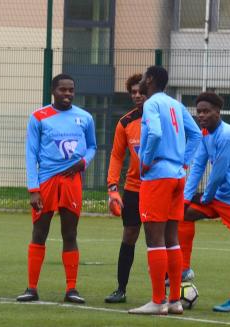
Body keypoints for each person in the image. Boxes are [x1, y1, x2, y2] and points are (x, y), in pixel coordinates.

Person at [17, 74, 97, 304]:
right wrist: (33, 188)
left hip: (72, 182)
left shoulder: (85, 117)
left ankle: (72, 289)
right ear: (53, 91)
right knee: (39, 233)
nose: (68, 94)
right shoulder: (39, 117)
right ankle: (31, 288)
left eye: (71, 90)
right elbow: (31, 153)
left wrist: (85, 162)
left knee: (70, 234)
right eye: (63, 90)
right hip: (46, 181)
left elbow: (92, 146)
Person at [128, 66, 201, 315]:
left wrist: (145, 160)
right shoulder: (175, 105)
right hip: (178, 177)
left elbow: (156, 133)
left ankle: (158, 301)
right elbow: (196, 135)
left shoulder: (151, 104)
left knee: (154, 238)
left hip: (158, 177)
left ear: (150, 80)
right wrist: (184, 161)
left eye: (143, 80)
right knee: (172, 239)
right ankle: (174, 301)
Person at [182, 92, 230, 312]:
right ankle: (184, 269)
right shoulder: (205, 133)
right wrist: (186, 198)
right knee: (184, 213)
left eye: (206, 111)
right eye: (198, 111)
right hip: (221, 194)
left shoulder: (227, 135)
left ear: (218, 112)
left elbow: (218, 173)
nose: (201, 115)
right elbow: (198, 165)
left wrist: (206, 197)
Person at [104, 74, 146, 304]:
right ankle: (120, 289)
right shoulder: (125, 122)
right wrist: (113, 188)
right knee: (129, 235)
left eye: (141, 91)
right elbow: (117, 156)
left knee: (158, 238)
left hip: (158, 188)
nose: (137, 96)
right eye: (133, 92)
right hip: (133, 189)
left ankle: (167, 290)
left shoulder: (164, 117)